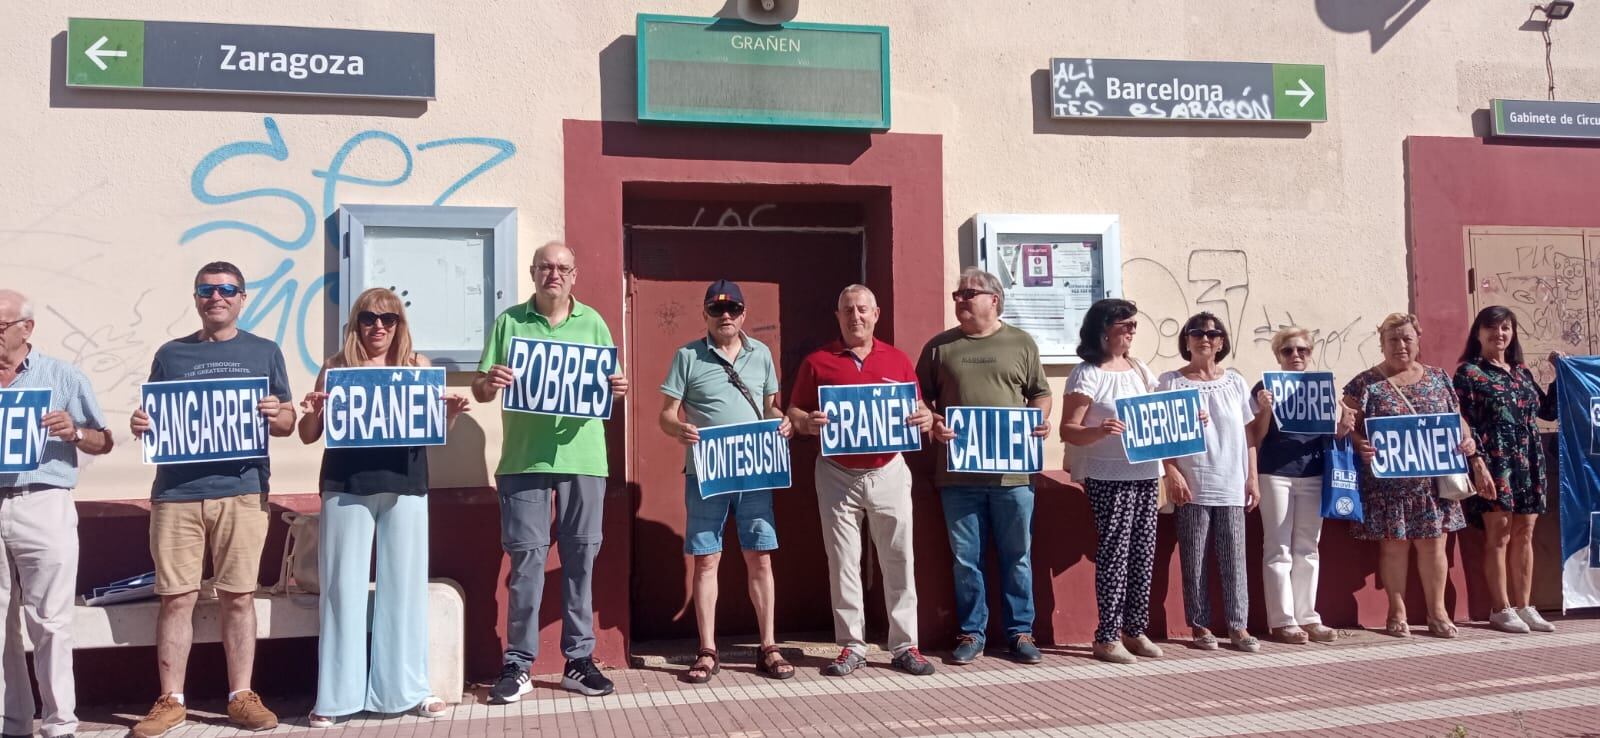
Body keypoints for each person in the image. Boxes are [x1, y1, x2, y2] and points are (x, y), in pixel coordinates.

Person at [129, 262, 295, 737]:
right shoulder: (171, 354)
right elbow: (156, 418)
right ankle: (171, 700)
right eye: (207, 289)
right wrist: (142, 424)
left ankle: (241, 696)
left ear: (243, 298)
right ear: (197, 297)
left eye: (226, 289)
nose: (216, 296)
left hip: (242, 492)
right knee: (176, 599)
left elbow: (285, 421)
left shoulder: (264, 352)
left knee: (238, 597)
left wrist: (274, 413)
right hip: (177, 494)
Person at [298, 288, 471, 726]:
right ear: (356, 323)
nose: (378, 327)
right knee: (342, 589)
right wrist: (314, 410)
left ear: (399, 325)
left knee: (406, 587)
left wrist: (449, 413)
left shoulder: (419, 368)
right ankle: (335, 697)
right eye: (369, 318)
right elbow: (306, 434)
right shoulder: (335, 368)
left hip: (406, 484)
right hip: (345, 485)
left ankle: (410, 689)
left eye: (388, 319)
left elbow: (431, 432)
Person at [473, 241, 628, 701]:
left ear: (574, 274)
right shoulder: (510, 322)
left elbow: (609, 384)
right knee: (527, 562)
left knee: (581, 562)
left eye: (562, 267)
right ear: (533, 272)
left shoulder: (594, 323)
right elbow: (481, 388)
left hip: (584, 460)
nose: (553, 274)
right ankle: (518, 663)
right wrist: (490, 381)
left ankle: (578, 661)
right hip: (524, 462)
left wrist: (616, 388)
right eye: (545, 266)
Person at [787, 285, 936, 677]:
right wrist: (807, 422)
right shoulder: (818, 361)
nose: (856, 316)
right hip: (837, 473)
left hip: (887, 470)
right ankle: (852, 645)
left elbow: (918, 406)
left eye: (863, 309)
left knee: (899, 558)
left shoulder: (898, 359)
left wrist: (925, 418)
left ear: (876, 314)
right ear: (837, 316)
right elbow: (796, 412)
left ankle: (905, 645)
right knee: (843, 563)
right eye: (848, 310)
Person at [658, 279, 794, 684]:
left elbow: (770, 406)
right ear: (705, 314)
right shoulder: (687, 356)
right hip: (707, 471)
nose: (725, 316)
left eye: (732, 309)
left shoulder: (762, 354)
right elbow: (666, 413)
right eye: (717, 310)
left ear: (743, 314)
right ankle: (707, 649)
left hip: (755, 469)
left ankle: (768, 646)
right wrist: (677, 428)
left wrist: (782, 422)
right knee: (706, 559)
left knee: (761, 556)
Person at [917, 267, 1052, 666]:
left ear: (993, 300)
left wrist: (1039, 420)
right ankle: (972, 632)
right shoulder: (940, 347)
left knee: (1017, 555)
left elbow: (1041, 393)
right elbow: (919, 398)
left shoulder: (1021, 343)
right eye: (957, 294)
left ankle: (1020, 632)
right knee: (965, 559)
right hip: (958, 477)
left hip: (1013, 476)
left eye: (968, 294)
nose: (959, 300)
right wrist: (934, 422)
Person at [0, 289, 114, 738]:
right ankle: (11, 723)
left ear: (26, 329)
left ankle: (59, 722)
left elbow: (104, 440)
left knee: (50, 620)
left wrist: (74, 431)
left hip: (42, 500)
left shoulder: (62, 376)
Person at [1344, 313, 1478, 638]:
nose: (1400, 346)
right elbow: (1347, 424)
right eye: (1392, 340)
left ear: (1418, 340)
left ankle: (1438, 612)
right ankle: (1396, 610)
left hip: (1432, 483)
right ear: (1381, 344)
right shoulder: (1364, 383)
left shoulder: (1438, 378)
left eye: (1406, 339)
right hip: (1388, 485)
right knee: (1394, 547)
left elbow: (1455, 418)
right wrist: (1360, 443)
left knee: (1434, 547)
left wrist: (1467, 439)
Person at [1059, 298, 1166, 664]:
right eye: (1126, 325)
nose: (1133, 331)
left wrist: (1187, 419)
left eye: (1135, 325)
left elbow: (1159, 411)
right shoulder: (1087, 373)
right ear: (1105, 330)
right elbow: (1069, 430)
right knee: (1115, 554)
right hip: (1108, 474)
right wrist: (1100, 430)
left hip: (1146, 472)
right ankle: (1106, 636)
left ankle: (1134, 629)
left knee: (1142, 552)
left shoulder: (1138, 368)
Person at [1452, 306, 1559, 634]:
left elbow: (1548, 411)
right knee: (1499, 535)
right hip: (1494, 463)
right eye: (1491, 328)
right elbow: (1462, 421)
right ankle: (1501, 608)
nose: (1498, 334)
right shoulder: (1469, 373)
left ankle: (1525, 605)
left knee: (1525, 534)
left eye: (1505, 329)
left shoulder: (1521, 372)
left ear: (1512, 334)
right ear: (1478, 333)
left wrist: (1560, 373)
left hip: (1527, 463)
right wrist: (1477, 463)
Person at [1158, 313, 1261, 653]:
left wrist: (1252, 477)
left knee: (1234, 557)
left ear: (1221, 342)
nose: (1205, 338)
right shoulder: (1171, 382)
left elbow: (1248, 434)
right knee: (1195, 557)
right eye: (1197, 333)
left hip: (1231, 480)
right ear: (1186, 340)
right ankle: (1200, 626)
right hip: (1193, 482)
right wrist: (1171, 472)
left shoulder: (1235, 382)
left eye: (1213, 333)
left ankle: (1238, 625)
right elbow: (1161, 434)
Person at [1247, 328, 1339, 644]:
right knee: (1278, 547)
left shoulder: (1320, 387)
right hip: (1275, 473)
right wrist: (1265, 409)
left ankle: (1308, 616)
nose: (1296, 355)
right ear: (1278, 356)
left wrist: (1344, 427)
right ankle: (1283, 620)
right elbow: (1254, 437)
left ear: (1311, 352)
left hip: (1313, 472)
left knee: (1308, 547)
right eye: (1288, 351)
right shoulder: (1264, 388)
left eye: (1302, 350)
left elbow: (1331, 435)